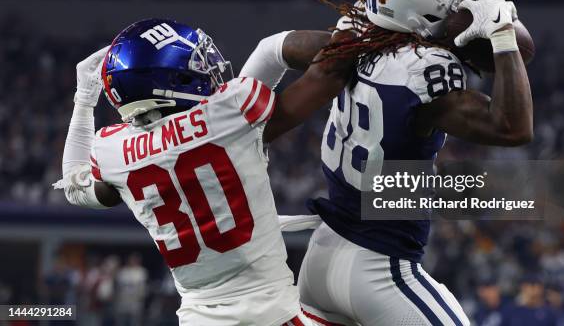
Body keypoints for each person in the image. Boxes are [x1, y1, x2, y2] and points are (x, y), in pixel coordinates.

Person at [262, 0, 532, 325]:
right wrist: (502, 34)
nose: (468, 6)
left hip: (321, 258)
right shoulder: (425, 71)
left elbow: (278, 48)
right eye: (457, 3)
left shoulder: (355, 36)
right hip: (380, 271)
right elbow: (513, 128)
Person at [54, 19, 352, 326]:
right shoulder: (230, 110)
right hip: (273, 314)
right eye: (196, 64)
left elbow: (74, 188)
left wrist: (84, 98)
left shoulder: (111, 151)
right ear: (173, 79)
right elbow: (328, 69)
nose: (209, 69)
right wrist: (364, 33)